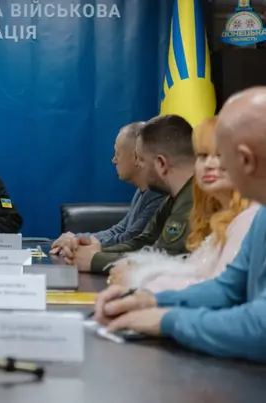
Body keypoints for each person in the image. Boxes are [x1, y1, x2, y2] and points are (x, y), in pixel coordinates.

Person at [92, 87, 266, 363]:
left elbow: (260, 328)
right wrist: (147, 300)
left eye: (221, 154)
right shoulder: (260, 214)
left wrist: (165, 320)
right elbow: (228, 288)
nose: (212, 165)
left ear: (244, 159)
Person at [107, 116, 258, 291]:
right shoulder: (216, 217)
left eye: (219, 155)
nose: (208, 164)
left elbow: (220, 291)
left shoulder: (250, 219)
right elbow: (190, 273)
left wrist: (139, 279)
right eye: (202, 156)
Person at [62, 115, 195, 273]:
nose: (138, 165)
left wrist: (95, 260)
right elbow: (143, 242)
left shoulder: (194, 198)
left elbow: (165, 261)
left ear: (161, 163)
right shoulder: (173, 198)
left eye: (141, 159)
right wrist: (94, 252)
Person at [51, 122, 165, 254]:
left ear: (136, 156)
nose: (114, 160)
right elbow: (119, 230)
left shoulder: (158, 194)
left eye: (117, 154)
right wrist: (77, 238)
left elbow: (130, 241)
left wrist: (77, 243)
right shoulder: (142, 191)